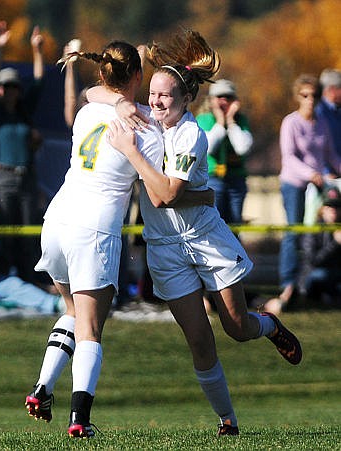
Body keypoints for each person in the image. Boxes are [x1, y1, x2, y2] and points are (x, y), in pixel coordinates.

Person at [101, 29, 302, 437]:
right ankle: (228, 422)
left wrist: (132, 152)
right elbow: (94, 96)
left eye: (165, 96)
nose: (155, 102)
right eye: (152, 94)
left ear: (185, 100)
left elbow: (164, 196)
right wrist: (121, 99)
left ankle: (270, 327)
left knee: (237, 328)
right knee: (199, 340)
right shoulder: (147, 119)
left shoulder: (191, 134)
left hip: (205, 241)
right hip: (164, 248)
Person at [24, 40, 212, 438]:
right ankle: (80, 419)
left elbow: (94, 94)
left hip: (55, 221)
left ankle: (42, 388)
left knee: (73, 312)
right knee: (91, 328)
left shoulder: (88, 110)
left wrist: (119, 94)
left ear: (103, 75)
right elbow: (164, 189)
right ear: (139, 79)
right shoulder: (147, 125)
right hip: (94, 229)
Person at [0, 22, 45, 285]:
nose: (8, 91)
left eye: (13, 87)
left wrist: (37, 50)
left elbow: (40, 81)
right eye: (5, 87)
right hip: (3, 176)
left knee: (30, 228)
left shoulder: (24, 111)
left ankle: (30, 276)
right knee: (6, 228)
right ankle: (6, 276)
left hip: (27, 175)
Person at [273, 73, 341, 312]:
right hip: (294, 184)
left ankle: (308, 285)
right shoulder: (290, 122)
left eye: (313, 95)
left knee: (314, 235)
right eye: (304, 95)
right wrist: (311, 173)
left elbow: (330, 154)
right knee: (293, 233)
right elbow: (289, 158)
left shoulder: (321, 123)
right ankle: (287, 285)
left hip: (318, 186)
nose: (309, 100)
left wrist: (336, 173)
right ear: (297, 97)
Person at [196, 79, 253, 225]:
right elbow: (207, 148)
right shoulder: (203, 119)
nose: (224, 101)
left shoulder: (240, 121)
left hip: (236, 180)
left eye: (228, 97)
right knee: (213, 224)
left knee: (234, 226)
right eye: (219, 97)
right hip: (212, 179)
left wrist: (231, 121)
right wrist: (220, 123)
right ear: (211, 100)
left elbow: (242, 148)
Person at [298, 186, 341, 308]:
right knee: (321, 274)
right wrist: (335, 244)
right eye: (329, 206)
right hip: (314, 275)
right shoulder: (313, 230)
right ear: (322, 209)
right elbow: (313, 261)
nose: (333, 210)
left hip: (335, 274)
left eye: (337, 206)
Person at [316, 68, 341, 164]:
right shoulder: (319, 112)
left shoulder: (337, 110)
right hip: (327, 174)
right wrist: (326, 171)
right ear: (332, 90)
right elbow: (319, 146)